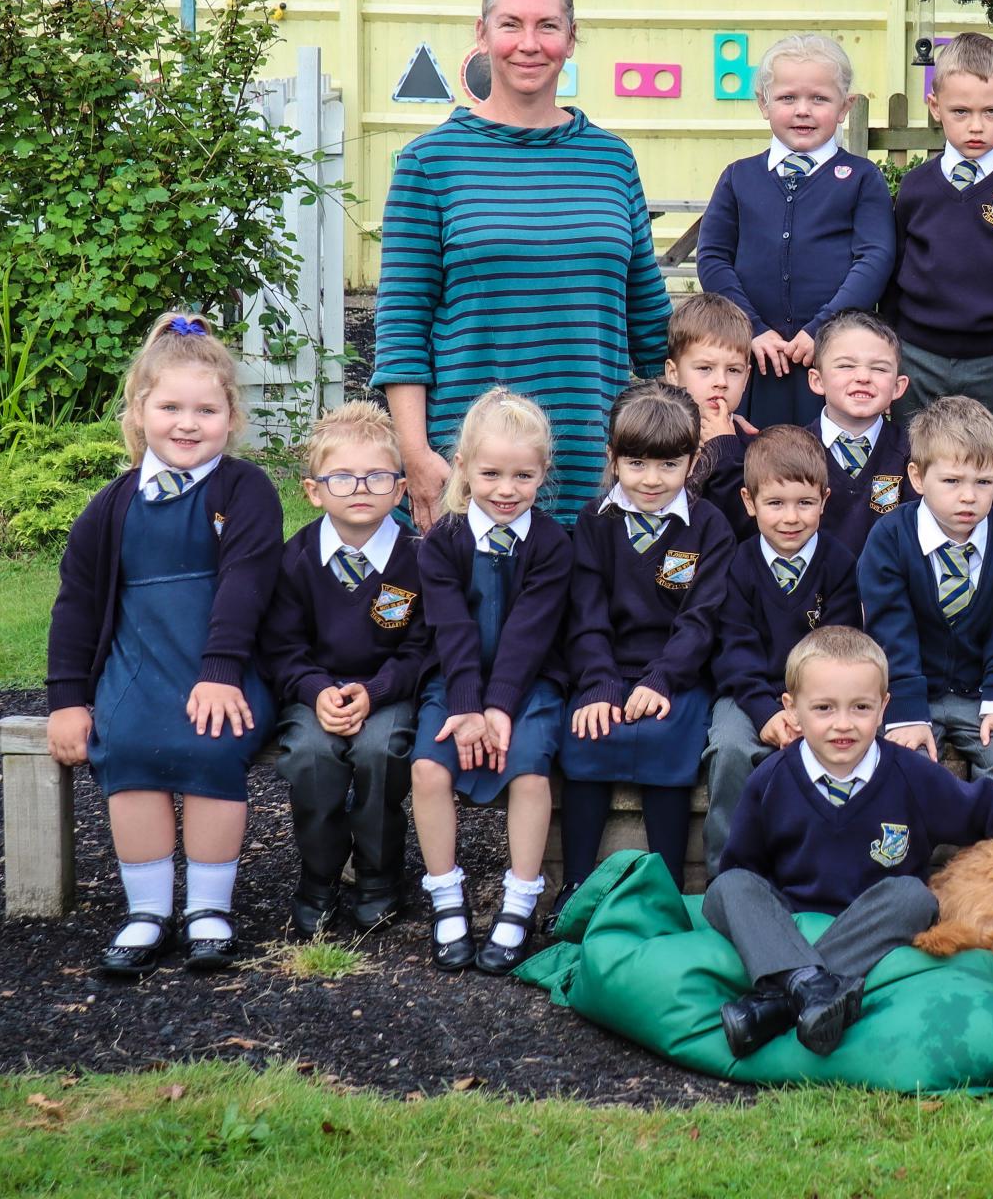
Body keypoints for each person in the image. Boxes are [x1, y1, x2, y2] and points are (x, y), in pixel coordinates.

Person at [708, 626, 993, 1058]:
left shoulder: (911, 774)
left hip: (876, 924)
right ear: (791, 710)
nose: (843, 723)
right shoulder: (771, 779)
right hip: (796, 922)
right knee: (728, 887)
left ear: (883, 708)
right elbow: (744, 871)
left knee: (915, 896)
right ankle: (813, 990)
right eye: (823, 708)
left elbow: (992, 810)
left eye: (860, 707)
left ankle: (781, 999)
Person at [375, 0, 672, 524]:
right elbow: (402, 326)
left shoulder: (610, 160)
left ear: (571, 38)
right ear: (482, 34)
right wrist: (416, 455)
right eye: (510, 24)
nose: (528, 44)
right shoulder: (431, 162)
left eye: (547, 26)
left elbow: (650, 321)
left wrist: (705, 414)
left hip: (598, 462)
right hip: (478, 469)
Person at [45, 311, 283, 979]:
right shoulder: (111, 506)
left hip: (224, 667)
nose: (187, 423)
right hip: (137, 667)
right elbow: (78, 607)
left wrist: (220, 672)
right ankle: (147, 911)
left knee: (208, 742)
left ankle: (209, 909)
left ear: (231, 417)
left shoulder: (245, 490)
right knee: (127, 746)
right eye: (170, 407)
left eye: (205, 409)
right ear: (138, 410)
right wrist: (67, 700)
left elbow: (246, 585)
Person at [408, 387, 575, 976]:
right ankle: (445, 895)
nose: (507, 490)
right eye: (492, 473)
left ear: (543, 473)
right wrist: (470, 706)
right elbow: (451, 628)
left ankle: (521, 897)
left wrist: (499, 709)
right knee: (428, 768)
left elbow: (531, 631)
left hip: (529, 686)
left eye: (523, 476)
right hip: (454, 685)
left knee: (529, 772)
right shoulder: (441, 543)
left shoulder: (553, 545)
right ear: (462, 468)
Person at [261, 401, 429, 939]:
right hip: (314, 694)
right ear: (314, 490)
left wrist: (375, 692)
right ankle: (320, 875)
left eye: (377, 476)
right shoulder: (295, 560)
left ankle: (379, 876)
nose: (361, 487)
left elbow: (424, 648)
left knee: (381, 751)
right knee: (310, 754)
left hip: (387, 693)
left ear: (400, 489)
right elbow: (282, 648)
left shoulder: (418, 559)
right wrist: (316, 693)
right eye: (342, 477)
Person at [561, 381, 737, 894]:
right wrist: (598, 683)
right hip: (607, 666)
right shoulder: (594, 523)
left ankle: (667, 885)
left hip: (676, 673)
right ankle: (573, 884)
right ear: (613, 459)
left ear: (692, 461)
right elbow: (585, 612)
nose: (652, 479)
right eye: (636, 464)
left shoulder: (708, 526)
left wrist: (664, 679)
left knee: (667, 741)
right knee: (586, 735)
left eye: (668, 465)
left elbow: (701, 619)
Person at [696, 34, 896, 431]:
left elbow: (874, 259)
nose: (802, 111)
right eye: (788, 98)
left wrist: (822, 329)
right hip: (757, 358)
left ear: (845, 107)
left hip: (830, 359)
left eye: (819, 99)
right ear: (763, 104)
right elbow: (713, 258)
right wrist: (752, 328)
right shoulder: (740, 178)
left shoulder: (861, 179)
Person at [856, 397, 993, 800]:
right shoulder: (889, 538)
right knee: (901, 771)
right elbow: (890, 628)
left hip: (980, 692)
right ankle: (905, 863)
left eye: (983, 482)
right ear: (918, 477)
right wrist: (906, 709)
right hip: (907, 689)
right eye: (952, 481)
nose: (968, 497)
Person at [703, 425, 863, 866]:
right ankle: (726, 873)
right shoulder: (737, 565)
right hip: (748, 693)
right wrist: (768, 712)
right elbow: (733, 652)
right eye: (775, 503)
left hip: (822, 694)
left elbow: (840, 647)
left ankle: (824, 868)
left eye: (805, 503)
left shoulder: (839, 564)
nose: (791, 518)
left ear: (825, 502)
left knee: (839, 746)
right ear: (749, 503)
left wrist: (806, 708)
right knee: (731, 750)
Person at [883, 33, 993, 424]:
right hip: (916, 359)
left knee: (989, 469)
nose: (976, 126)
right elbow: (893, 279)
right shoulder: (915, 187)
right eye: (960, 112)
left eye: (991, 111)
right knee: (915, 465)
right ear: (935, 107)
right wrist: (890, 355)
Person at [808, 309, 917, 554]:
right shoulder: (791, 450)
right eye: (846, 366)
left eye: (879, 369)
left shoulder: (914, 453)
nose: (863, 377)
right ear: (817, 380)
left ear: (898, 387)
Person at [665, 292, 756, 541]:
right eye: (705, 368)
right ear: (673, 373)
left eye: (734, 370)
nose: (721, 382)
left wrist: (726, 449)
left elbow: (747, 527)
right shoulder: (656, 438)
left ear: (747, 376)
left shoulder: (756, 448)